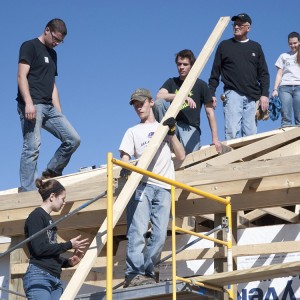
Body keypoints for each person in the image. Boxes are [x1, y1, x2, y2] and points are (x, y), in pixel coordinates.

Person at [119, 88, 185, 287]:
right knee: (137, 232)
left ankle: (148, 272)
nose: (138, 107)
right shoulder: (132, 131)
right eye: (135, 105)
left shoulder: (163, 129)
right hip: (142, 186)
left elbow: (181, 156)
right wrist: (125, 169)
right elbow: (125, 159)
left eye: (141, 103)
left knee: (159, 235)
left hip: (164, 186)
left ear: (150, 102)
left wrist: (171, 134)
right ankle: (133, 274)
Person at [16, 18, 81, 192]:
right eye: (56, 39)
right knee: (32, 146)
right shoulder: (29, 46)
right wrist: (28, 103)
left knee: (73, 139)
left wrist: (59, 113)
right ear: (47, 30)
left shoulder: (53, 54)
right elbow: (21, 76)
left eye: (60, 41)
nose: (57, 43)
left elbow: (52, 85)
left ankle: (50, 173)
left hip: (49, 107)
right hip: (32, 104)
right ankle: (28, 189)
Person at [23, 178, 89, 299]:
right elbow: (39, 249)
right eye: (62, 199)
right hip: (40, 276)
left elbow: (49, 254)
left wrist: (68, 262)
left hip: (54, 279)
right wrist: (68, 245)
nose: (64, 202)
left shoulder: (49, 220)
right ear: (52, 196)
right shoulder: (36, 216)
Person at [208, 13, 270, 140]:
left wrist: (264, 95)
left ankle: (249, 160)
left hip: (253, 97)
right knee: (232, 132)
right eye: (235, 24)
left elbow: (263, 74)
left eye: (240, 25)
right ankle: (232, 160)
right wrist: (212, 93)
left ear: (248, 28)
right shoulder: (224, 46)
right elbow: (215, 72)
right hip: (232, 94)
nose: (236, 27)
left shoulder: (256, 47)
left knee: (251, 136)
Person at [153, 49, 222, 155]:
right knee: (159, 103)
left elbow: (210, 112)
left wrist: (215, 138)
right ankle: (166, 140)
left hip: (190, 128)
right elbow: (159, 96)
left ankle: (176, 147)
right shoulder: (172, 82)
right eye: (179, 64)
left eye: (185, 64)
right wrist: (181, 96)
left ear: (191, 66)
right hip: (172, 125)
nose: (181, 67)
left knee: (189, 155)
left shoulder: (201, 85)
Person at [272, 32, 300, 127]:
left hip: (299, 87)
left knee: (299, 116)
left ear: (299, 42)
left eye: (295, 43)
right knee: (285, 116)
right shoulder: (283, 56)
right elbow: (279, 73)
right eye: (290, 43)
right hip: (285, 88)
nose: (292, 45)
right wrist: (275, 89)